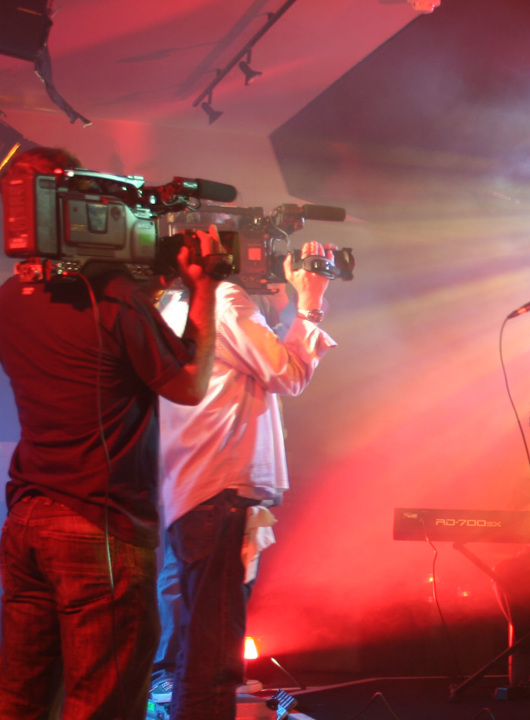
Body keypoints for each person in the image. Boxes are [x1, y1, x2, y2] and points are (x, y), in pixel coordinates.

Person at [0, 147, 220, 720]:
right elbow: (189, 383)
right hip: (98, 528)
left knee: (20, 699)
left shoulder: (9, 297)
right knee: (103, 702)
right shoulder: (116, 299)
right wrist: (205, 289)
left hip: (27, 520)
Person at [149, 242, 340, 719]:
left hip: (196, 486)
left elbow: (253, 365)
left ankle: (175, 694)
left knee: (201, 638)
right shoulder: (225, 299)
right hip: (220, 487)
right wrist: (310, 303)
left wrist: (279, 311)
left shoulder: (173, 303)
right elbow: (287, 373)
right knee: (215, 651)